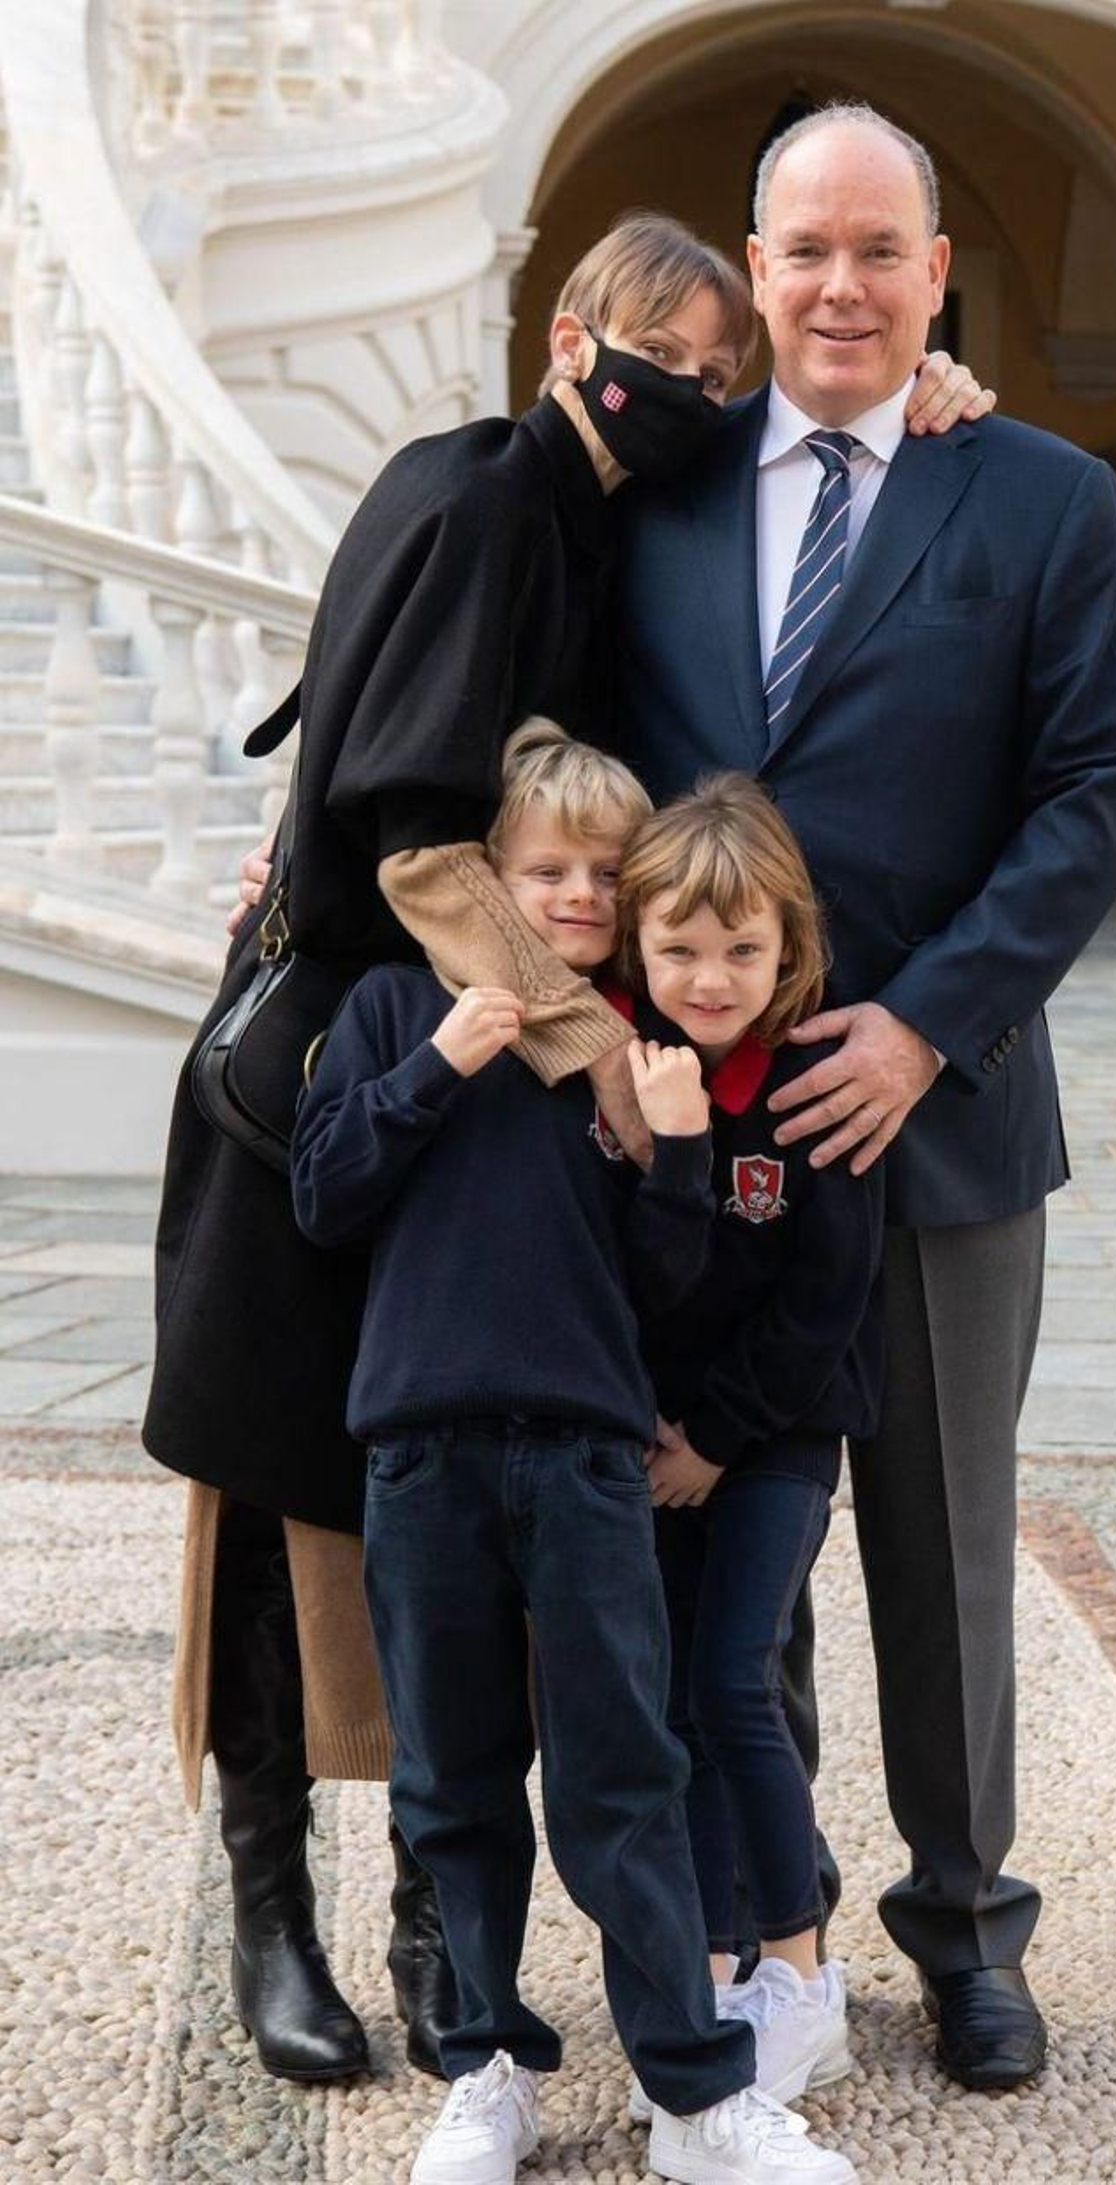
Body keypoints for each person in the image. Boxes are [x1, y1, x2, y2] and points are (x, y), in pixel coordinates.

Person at [148, 208, 987, 2084]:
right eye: (659, 360)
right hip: (359, 1070)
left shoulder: (606, 519)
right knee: (286, 1497)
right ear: (562, 338)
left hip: (494, 1103)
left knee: (456, 1507)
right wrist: (601, 1047)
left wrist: (931, 400)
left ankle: (449, 1920)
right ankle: (271, 1909)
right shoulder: (469, 499)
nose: (688, 395)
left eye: (717, 373)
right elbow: (419, 842)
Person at [607, 105, 1116, 2090]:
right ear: (749, 274)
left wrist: (925, 1020)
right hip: (698, 1138)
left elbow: (1098, 789)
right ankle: (774, 1929)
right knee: (722, 1536)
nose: (838, 286)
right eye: (802, 250)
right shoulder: (649, 498)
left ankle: (964, 1926)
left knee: (940, 1553)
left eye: (877, 251)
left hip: (938, 1127)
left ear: (939, 274)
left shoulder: (1033, 499)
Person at [291, 723, 858, 2185]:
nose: (576, 896)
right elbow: (322, 1195)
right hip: (420, 1447)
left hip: (591, 1457)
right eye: (546, 867)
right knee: (454, 1779)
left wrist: (674, 1151)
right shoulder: (388, 1006)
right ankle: (486, 2067)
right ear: (494, 867)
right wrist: (432, 1065)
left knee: (625, 1778)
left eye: (606, 872)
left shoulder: (631, 1056)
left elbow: (666, 1288)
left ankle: (696, 2094)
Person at [611, 778, 882, 2116]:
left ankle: (801, 1967)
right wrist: (669, 1146)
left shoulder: (813, 1081)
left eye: (742, 949)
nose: (710, 978)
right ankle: (715, 1956)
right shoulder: (627, 1078)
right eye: (679, 949)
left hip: (775, 1434)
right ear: (634, 946)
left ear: (792, 947)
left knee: (735, 1681)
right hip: (656, 1442)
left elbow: (829, 1294)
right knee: (668, 1699)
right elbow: (637, 1284)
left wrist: (720, 1435)